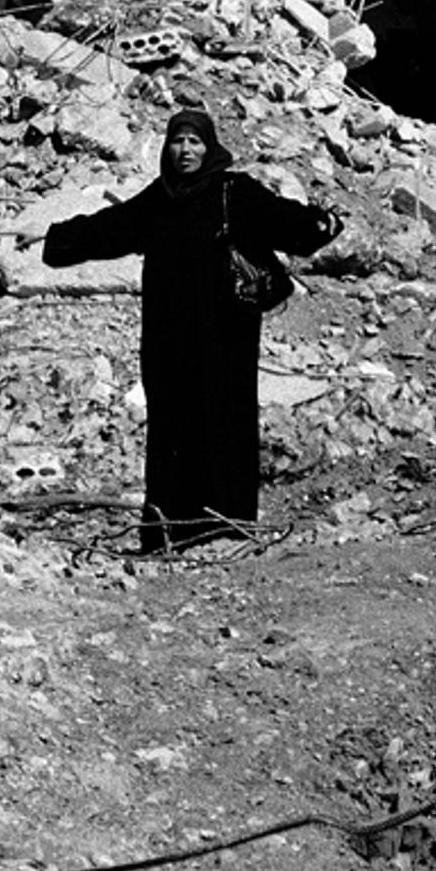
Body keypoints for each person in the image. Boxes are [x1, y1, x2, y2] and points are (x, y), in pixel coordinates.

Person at [42, 105, 339, 552]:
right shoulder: (159, 199)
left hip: (226, 334)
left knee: (225, 420)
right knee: (172, 427)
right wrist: (56, 238)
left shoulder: (232, 192)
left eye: (195, 141)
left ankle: (228, 530)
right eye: (178, 141)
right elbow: (112, 228)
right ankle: (169, 534)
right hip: (168, 337)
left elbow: (281, 219)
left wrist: (321, 223)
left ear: (210, 146)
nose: (185, 150)